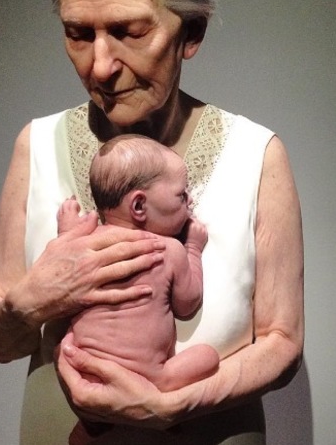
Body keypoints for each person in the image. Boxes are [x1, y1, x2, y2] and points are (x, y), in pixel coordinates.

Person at [0, 0, 304, 445]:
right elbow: (1, 341)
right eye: (78, 34)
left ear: (191, 32)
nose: (101, 65)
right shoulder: (37, 144)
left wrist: (175, 403)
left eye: (129, 32)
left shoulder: (256, 155)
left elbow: (283, 341)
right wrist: (27, 302)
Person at [59, 134, 219, 443]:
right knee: (209, 357)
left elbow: (61, 270)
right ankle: (160, 414)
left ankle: (90, 426)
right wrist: (193, 248)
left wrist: (66, 229)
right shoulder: (167, 250)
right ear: (139, 205)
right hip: (148, 378)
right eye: (181, 195)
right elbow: (188, 303)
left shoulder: (83, 244)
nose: (189, 201)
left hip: (86, 371)